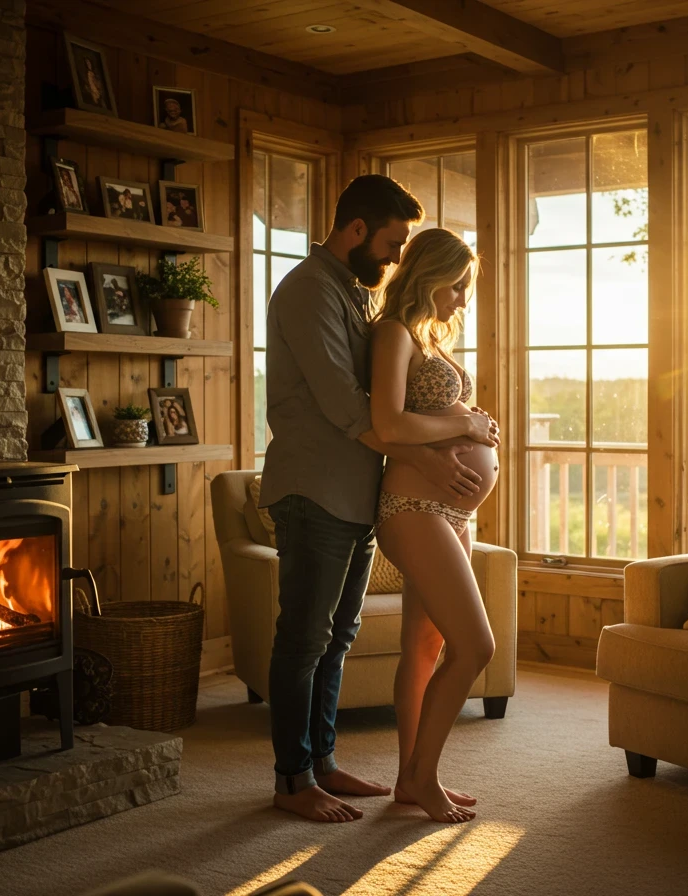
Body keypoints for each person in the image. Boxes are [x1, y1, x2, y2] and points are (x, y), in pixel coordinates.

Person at [258, 174, 496, 824]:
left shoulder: (356, 294)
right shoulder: (309, 290)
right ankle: (292, 778)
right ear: (357, 229)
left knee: (338, 636)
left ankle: (323, 761)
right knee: (304, 638)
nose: (396, 259)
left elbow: (392, 399)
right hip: (315, 487)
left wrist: (455, 427)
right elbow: (350, 406)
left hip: (358, 492)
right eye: (391, 244)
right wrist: (433, 453)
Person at [369, 228, 500, 823]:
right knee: (476, 646)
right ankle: (424, 777)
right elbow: (389, 423)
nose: (463, 299)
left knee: (426, 646)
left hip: (451, 512)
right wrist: (467, 428)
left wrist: (469, 419)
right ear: (429, 276)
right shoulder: (393, 333)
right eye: (457, 286)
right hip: (413, 508)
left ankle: (411, 777)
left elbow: (431, 413)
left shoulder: (427, 336)